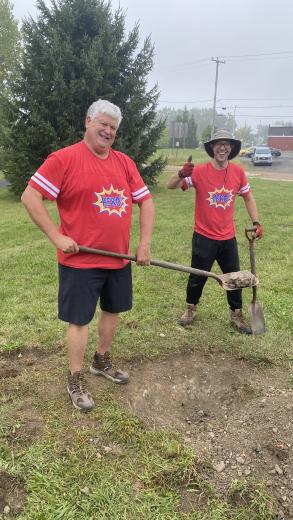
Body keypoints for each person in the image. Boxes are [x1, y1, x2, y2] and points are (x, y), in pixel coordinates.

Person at [21, 99, 155, 412]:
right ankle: (75, 377)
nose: (108, 131)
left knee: (113, 310)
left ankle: (101, 361)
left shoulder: (124, 162)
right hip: (80, 262)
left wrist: (144, 244)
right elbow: (30, 195)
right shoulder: (64, 159)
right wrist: (56, 235)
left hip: (118, 258)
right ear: (88, 122)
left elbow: (146, 202)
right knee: (79, 321)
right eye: (103, 124)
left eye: (113, 128)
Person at [167, 129, 262, 333]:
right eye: (218, 143)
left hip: (228, 237)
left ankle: (236, 314)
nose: (222, 147)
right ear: (212, 148)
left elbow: (247, 197)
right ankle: (191, 308)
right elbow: (171, 186)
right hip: (204, 236)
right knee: (197, 276)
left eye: (226, 143)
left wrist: (256, 221)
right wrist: (181, 173)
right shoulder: (199, 172)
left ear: (231, 148)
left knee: (234, 276)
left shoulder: (238, 173)